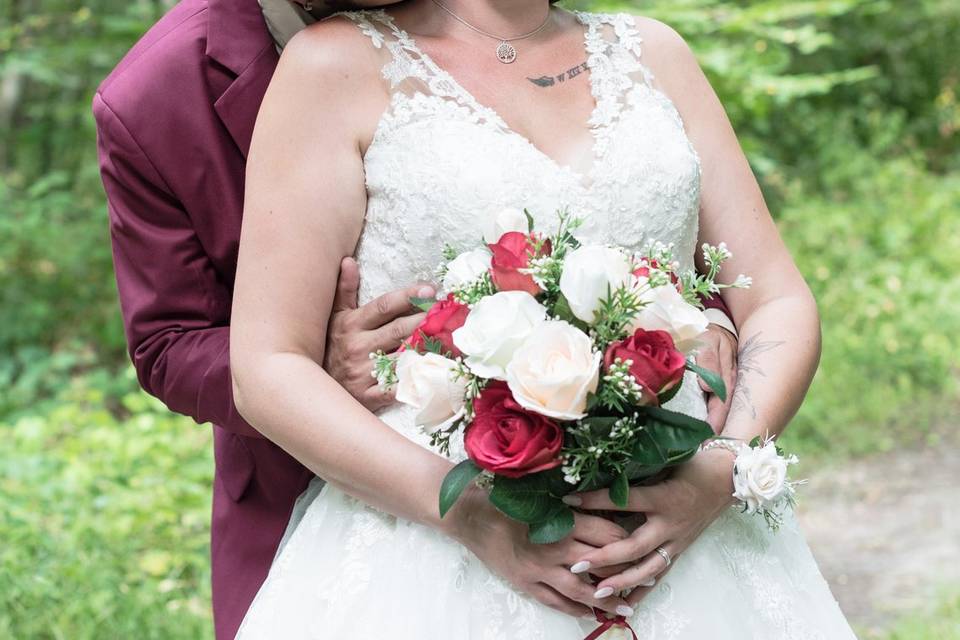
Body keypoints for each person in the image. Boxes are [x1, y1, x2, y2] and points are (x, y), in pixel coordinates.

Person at [93, 0, 739, 637]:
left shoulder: (532, 29)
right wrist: (316, 367)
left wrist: (693, 312)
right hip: (335, 503)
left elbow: (600, 187)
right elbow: (167, 341)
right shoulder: (154, 96)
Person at [229, 1, 857, 637]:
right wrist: (470, 514)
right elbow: (266, 367)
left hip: (692, 538)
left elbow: (778, 300)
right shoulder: (334, 67)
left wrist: (723, 469)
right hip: (435, 552)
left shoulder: (654, 52)